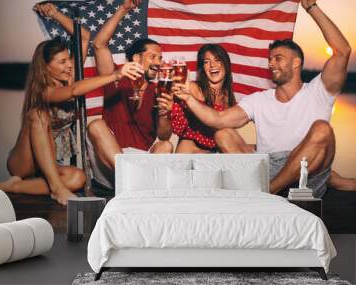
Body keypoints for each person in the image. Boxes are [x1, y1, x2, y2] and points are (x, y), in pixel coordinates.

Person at [173, 0, 354, 197]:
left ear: (296, 63)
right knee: (223, 134)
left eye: (278, 58)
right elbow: (218, 120)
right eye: (270, 59)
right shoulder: (258, 100)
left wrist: (312, 8)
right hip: (267, 169)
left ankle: (269, 193)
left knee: (322, 129)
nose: (271, 64)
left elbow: (343, 51)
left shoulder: (318, 91)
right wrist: (188, 98)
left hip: (305, 174)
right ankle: (269, 189)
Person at [0, 3, 143, 205]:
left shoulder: (69, 75)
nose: (69, 65)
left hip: (50, 164)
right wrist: (116, 74)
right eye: (62, 62)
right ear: (46, 67)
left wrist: (55, 13)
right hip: (24, 162)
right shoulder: (43, 91)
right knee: (38, 115)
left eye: (69, 59)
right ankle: (57, 189)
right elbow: (75, 91)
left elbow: (84, 37)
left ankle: (11, 186)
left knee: (79, 178)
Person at [86, 0, 173, 190]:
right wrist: (123, 9)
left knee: (166, 146)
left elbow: (164, 135)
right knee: (96, 125)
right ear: (136, 58)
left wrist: (165, 113)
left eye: (160, 58)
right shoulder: (116, 77)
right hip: (110, 161)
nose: (158, 62)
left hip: (142, 164)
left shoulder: (159, 90)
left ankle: (134, 186)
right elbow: (99, 45)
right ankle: (132, 183)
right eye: (153, 56)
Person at [165, 44, 236, 153]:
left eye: (217, 60)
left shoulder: (228, 97)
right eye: (206, 62)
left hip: (216, 153)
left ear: (226, 64)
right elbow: (178, 127)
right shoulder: (192, 88)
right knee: (186, 143)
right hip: (191, 148)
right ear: (203, 68)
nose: (212, 65)